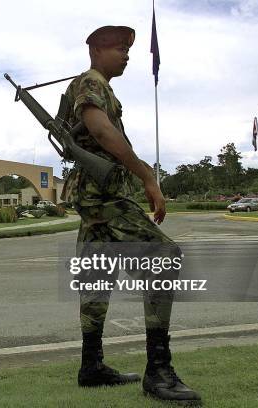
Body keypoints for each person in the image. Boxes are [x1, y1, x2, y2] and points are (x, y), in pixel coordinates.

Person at [61, 25, 201, 405]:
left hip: (94, 199)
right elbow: (101, 130)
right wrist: (147, 177)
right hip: (103, 197)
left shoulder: (94, 86)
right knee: (164, 257)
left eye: (127, 49)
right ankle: (158, 370)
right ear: (95, 49)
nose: (126, 55)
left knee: (95, 278)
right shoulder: (91, 83)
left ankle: (91, 366)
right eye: (120, 48)